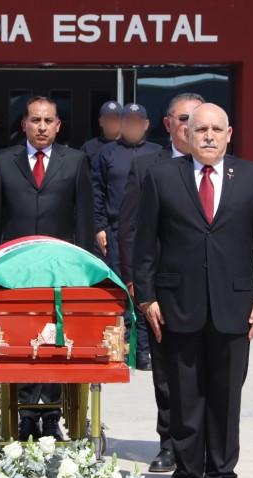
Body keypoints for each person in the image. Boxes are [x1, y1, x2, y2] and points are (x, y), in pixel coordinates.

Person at [134, 103, 253, 478]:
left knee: (225, 401)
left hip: (235, 309)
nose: (209, 136)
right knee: (184, 401)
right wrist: (147, 297)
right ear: (187, 134)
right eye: (201, 129)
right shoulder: (162, 177)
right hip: (177, 307)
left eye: (217, 129)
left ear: (229, 134)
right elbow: (144, 245)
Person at [0, 96, 94, 442]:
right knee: (21, 339)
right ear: (24, 125)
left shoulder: (76, 161)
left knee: (56, 340)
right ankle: (26, 413)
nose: (42, 127)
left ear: (58, 126)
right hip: (15, 269)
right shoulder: (2, 161)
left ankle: (53, 415)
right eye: (35, 120)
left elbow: (84, 219)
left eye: (48, 121)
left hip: (62, 268)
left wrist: (86, 269)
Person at [118, 92, 204, 473]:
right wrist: (135, 281)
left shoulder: (220, 167)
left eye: (197, 119)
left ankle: (204, 443)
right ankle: (169, 442)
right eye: (184, 119)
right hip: (164, 288)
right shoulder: (146, 166)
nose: (191, 126)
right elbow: (130, 229)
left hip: (208, 287)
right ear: (168, 124)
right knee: (167, 371)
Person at [92, 102, 161, 372]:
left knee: (144, 291)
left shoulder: (157, 153)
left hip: (149, 232)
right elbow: (97, 191)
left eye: (137, 123)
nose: (132, 127)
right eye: (127, 122)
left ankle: (143, 351)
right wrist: (98, 226)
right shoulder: (106, 153)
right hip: (115, 232)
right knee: (117, 292)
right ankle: (118, 349)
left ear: (146, 125)